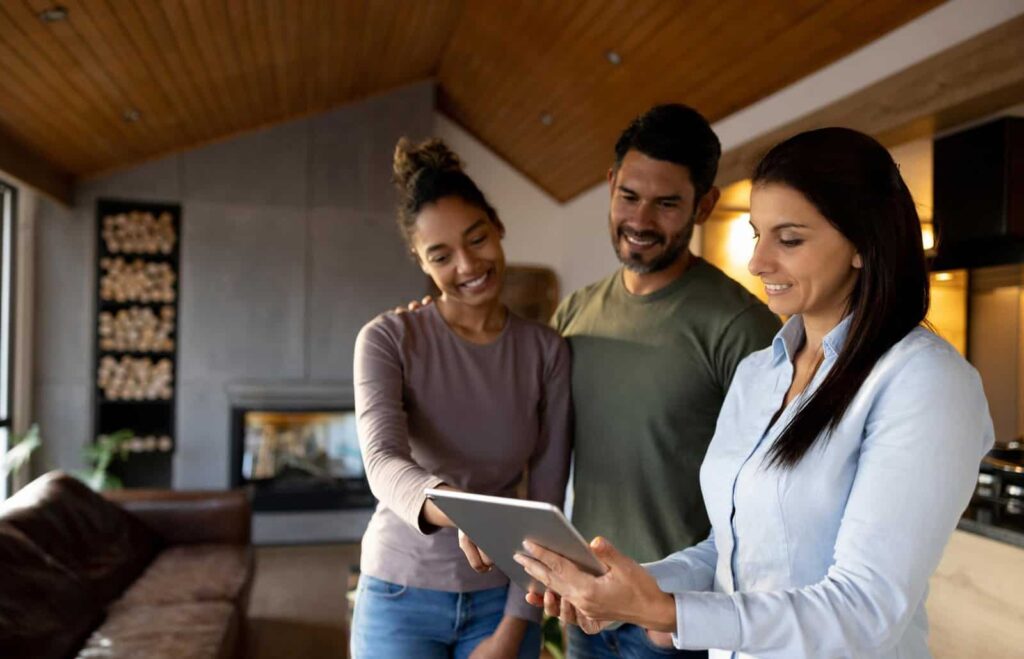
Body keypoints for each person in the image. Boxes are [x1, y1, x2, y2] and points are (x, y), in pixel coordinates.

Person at [514, 127, 995, 659]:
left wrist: (665, 612)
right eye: (756, 235)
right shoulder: (759, 373)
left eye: (789, 239)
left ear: (864, 243)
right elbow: (729, 551)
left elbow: (865, 609)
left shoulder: (923, 381)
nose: (758, 263)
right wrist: (624, 585)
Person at [549, 104, 780, 657]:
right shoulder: (575, 312)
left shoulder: (741, 326)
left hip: (678, 617)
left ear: (704, 206)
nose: (641, 220)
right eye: (629, 196)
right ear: (610, 185)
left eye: (667, 203)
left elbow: (775, 494)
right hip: (589, 604)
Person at [350, 138, 572, 659]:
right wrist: (465, 511)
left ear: (498, 227)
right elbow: (382, 463)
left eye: (477, 239)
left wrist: (514, 628)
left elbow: (546, 499)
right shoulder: (387, 339)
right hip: (398, 591)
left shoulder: (547, 352)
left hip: (503, 598)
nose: (468, 264)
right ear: (420, 261)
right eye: (441, 255)